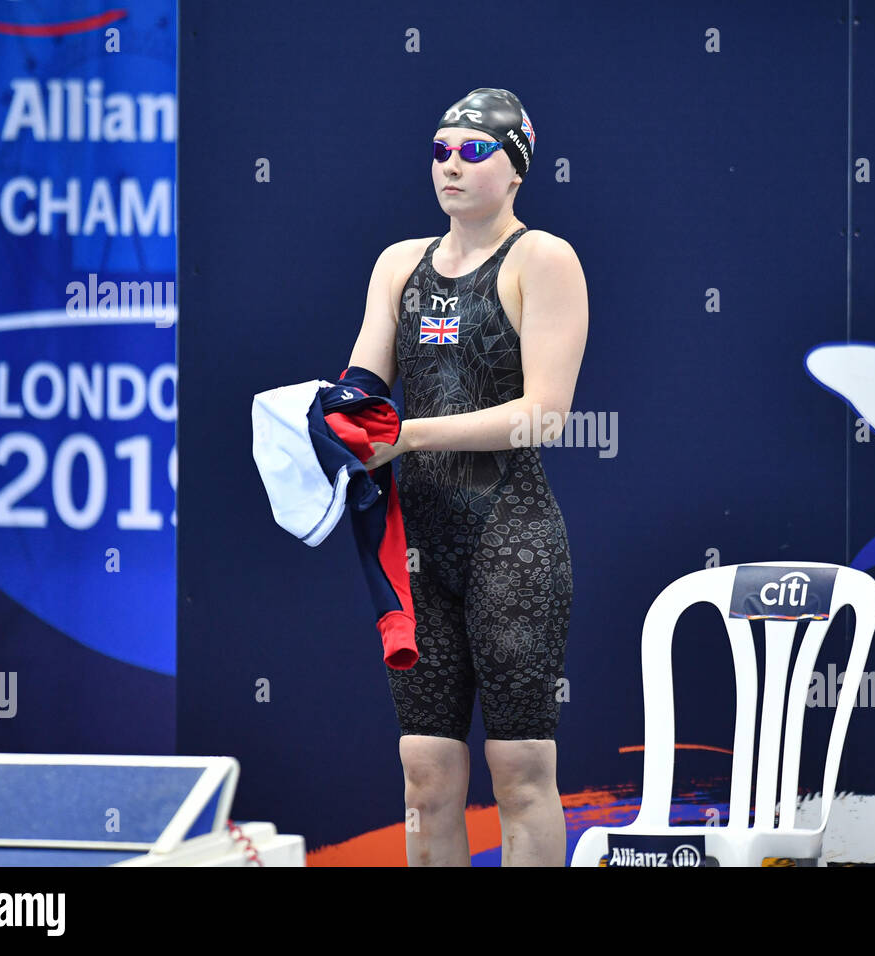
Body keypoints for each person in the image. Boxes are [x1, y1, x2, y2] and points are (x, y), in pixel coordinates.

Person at [346, 88, 588, 866]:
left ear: (515, 167)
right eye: (441, 149)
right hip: (417, 545)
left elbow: (544, 414)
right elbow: (359, 389)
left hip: (510, 537)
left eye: (474, 150)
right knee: (425, 774)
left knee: (520, 773)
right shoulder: (398, 266)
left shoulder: (542, 259)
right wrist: (314, 424)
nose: (451, 165)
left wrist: (407, 435)